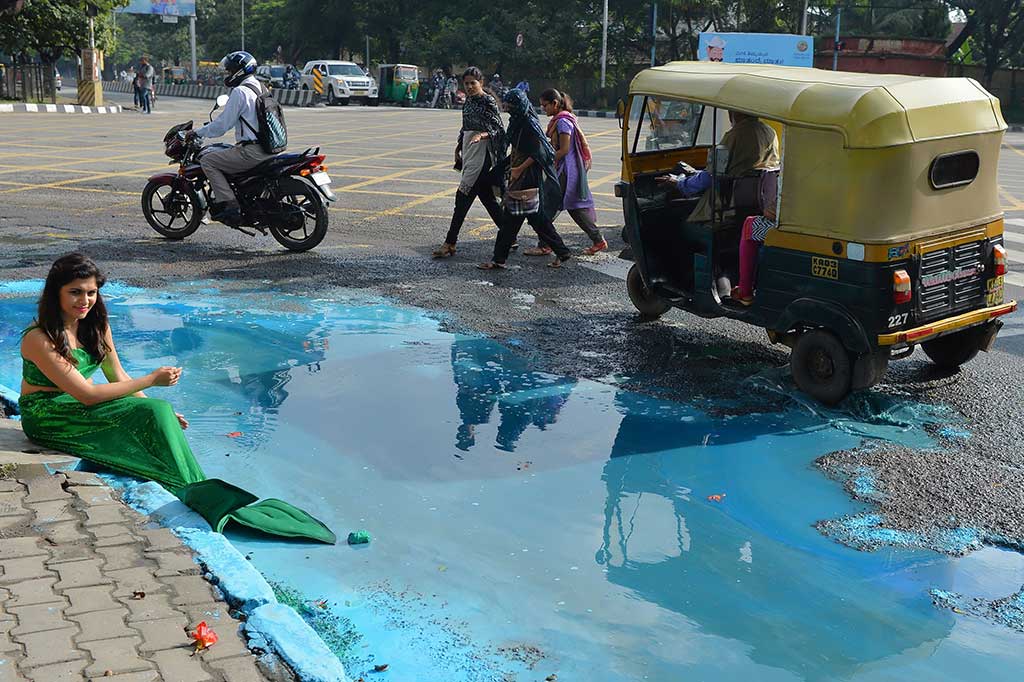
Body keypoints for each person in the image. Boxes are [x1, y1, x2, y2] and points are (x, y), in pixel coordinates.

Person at [18, 254, 334, 543]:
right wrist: (153, 380)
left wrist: (150, 406)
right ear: (56, 293)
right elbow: (87, 394)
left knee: (158, 412)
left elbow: (118, 377)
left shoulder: (95, 325)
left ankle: (197, 486)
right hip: (49, 417)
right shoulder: (39, 338)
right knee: (151, 415)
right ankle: (190, 489)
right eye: (75, 292)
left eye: (91, 292)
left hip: (78, 406)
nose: (84, 300)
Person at [478, 88, 571, 270]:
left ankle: (499, 259)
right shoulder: (518, 121)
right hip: (519, 173)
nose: (508, 109)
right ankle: (562, 251)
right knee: (534, 219)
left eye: (511, 105)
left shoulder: (528, 124)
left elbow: (538, 153)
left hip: (527, 176)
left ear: (519, 105)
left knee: (513, 220)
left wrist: (518, 169)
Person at [188, 51, 274, 227]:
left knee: (208, 161)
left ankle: (230, 204)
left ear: (239, 71)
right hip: (269, 148)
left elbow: (222, 125)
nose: (228, 74)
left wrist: (198, 132)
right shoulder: (261, 87)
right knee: (227, 153)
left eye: (230, 70)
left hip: (252, 152)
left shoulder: (240, 91)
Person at [432, 66, 506, 258]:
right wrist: (458, 147)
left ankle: (450, 242)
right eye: (466, 84)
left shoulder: (487, 101)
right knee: (486, 197)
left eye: (473, 83)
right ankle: (509, 234)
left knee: (462, 196)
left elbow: (499, 129)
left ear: (481, 82)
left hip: (483, 154)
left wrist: (482, 135)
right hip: (470, 151)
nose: (470, 87)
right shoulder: (469, 101)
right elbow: (465, 127)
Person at [656, 110, 779, 221]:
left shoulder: (734, 135)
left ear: (734, 112)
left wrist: (679, 183)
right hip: (760, 200)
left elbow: (711, 175)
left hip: (727, 204)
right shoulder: (770, 132)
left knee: (672, 215)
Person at [539, 88, 607, 255]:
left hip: (566, 171)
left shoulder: (562, 122)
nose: (543, 109)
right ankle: (598, 240)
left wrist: (545, 160)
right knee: (575, 208)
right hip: (568, 170)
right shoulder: (560, 120)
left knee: (549, 206)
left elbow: (564, 149)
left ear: (555, 104)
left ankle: (545, 244)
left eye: (545, 105)